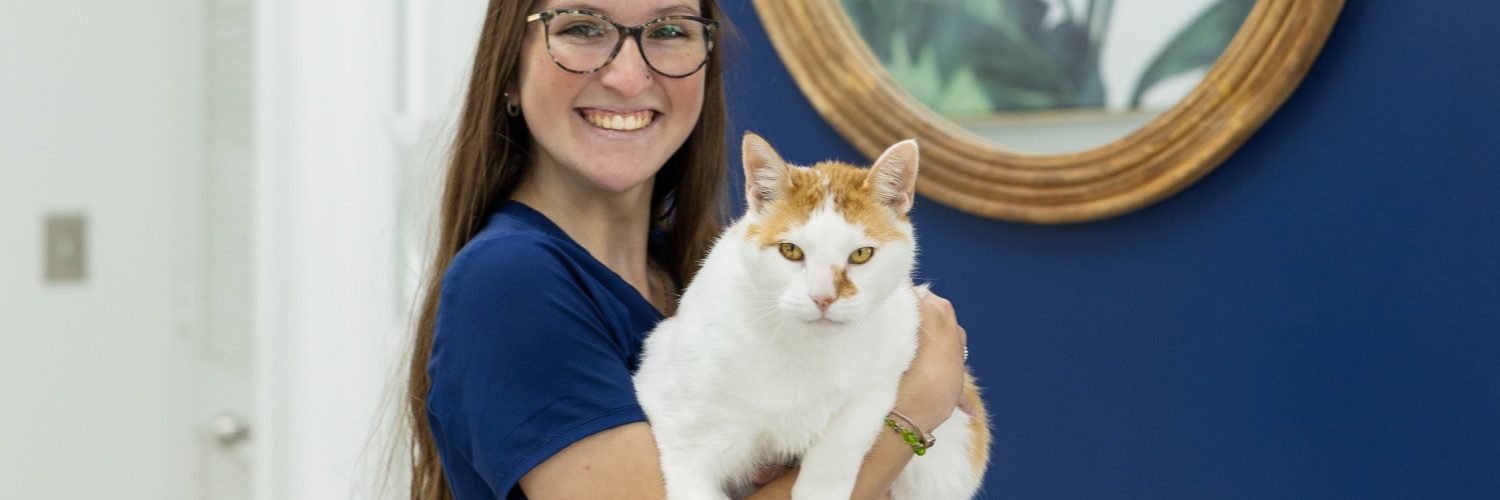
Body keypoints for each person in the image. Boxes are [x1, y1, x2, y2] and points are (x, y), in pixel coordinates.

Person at [404, 1, 970, 498]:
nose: (628, 77)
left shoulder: (699, 274)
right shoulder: (512, 284)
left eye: (670, 31)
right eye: (581, 28)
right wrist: (911, 413)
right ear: (509, 67)